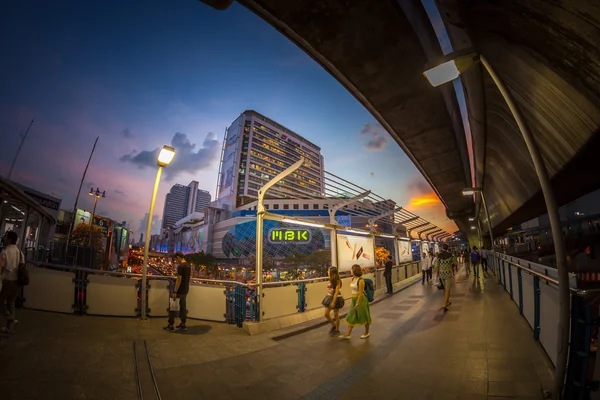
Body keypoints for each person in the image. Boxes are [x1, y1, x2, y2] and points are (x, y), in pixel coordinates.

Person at [340, 264, 371, 340]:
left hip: (361, 300)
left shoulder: (361, 281)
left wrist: (357, 304)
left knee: (364, 316)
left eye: (351, 269)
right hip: (354, 299)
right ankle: (348, 334)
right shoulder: (353, 278)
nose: (350, 270)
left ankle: (367, 332)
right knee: (351, 315)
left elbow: (360, 294)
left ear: (355, 270)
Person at [0, 231, 22, 334]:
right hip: (16, 281)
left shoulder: (4, 252)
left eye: (5, 237)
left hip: (6, 280)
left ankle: (10, 317)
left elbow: (0, 267)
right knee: (11, 302)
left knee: (1, 301)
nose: (4, 239)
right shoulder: (19, 252)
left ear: (9, 239)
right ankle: (9, 327)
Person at [164, 252, 191, 332]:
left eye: (176, 259)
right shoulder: (188, 265)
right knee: (183, 307)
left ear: (178, 257)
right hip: (185, 289)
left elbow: (179, 279)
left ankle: (171, 325)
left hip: (179, 290)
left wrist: (175, 291)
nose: (176, 261)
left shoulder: (181, 266)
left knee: (173, 307)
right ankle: (183, 324)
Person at [433, 243, 457, 311]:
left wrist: (437, 275)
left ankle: (447, 301)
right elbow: (455, 263)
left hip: (441, 274)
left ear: (442, 248)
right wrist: (451, 267)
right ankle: (445, 305)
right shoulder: (451, 255)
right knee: (448, 289)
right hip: (448, 274)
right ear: (447, 248)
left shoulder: (439, 256)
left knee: (445, 289)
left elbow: (436, 266)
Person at [324, 266, 343, 337]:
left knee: (336, 314)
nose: (327, 272)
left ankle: (337, 329)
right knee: (326, 314)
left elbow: (336, 292)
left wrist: (333, 302)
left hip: (336, 298)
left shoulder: (337, 280)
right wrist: (329, 291)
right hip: (329, 297)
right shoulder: (330, 279)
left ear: (332, 272)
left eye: (328, 271)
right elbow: (330, 288)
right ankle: (334, 325)